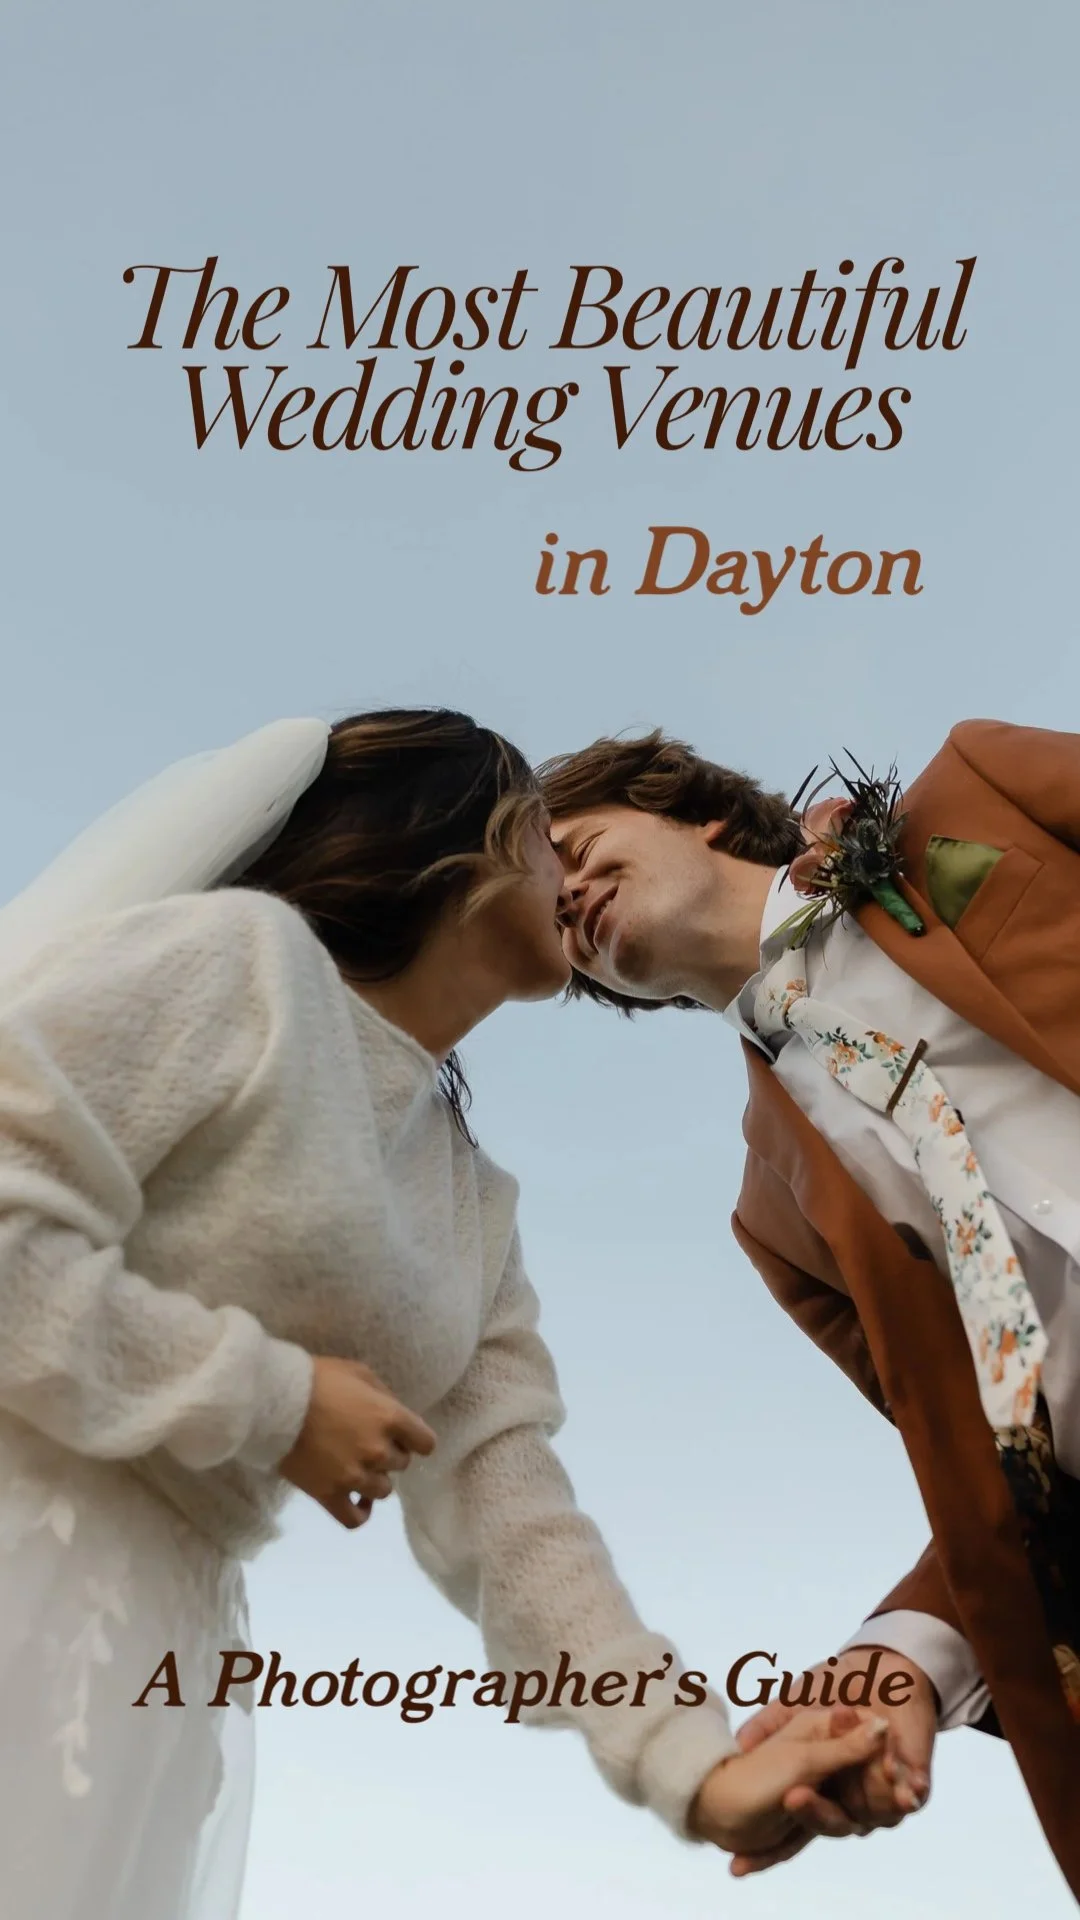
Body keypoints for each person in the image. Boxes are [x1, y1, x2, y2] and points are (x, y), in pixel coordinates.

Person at [0, 707, 888, 1920]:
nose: (566, 871)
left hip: (164, 1642)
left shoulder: (471, 1197)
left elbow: (511, 1514)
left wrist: (702, 1767)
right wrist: (272, 1397)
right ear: (461, 843)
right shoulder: (235, 962)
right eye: (544, 833)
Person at [541, 717, 1080, 1897]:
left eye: (569, 843)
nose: (560, 895)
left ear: (694, 811)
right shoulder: (772, 1220)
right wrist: (909, 1659)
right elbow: (1005, 1483)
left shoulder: (978, 793)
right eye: (541, 911)